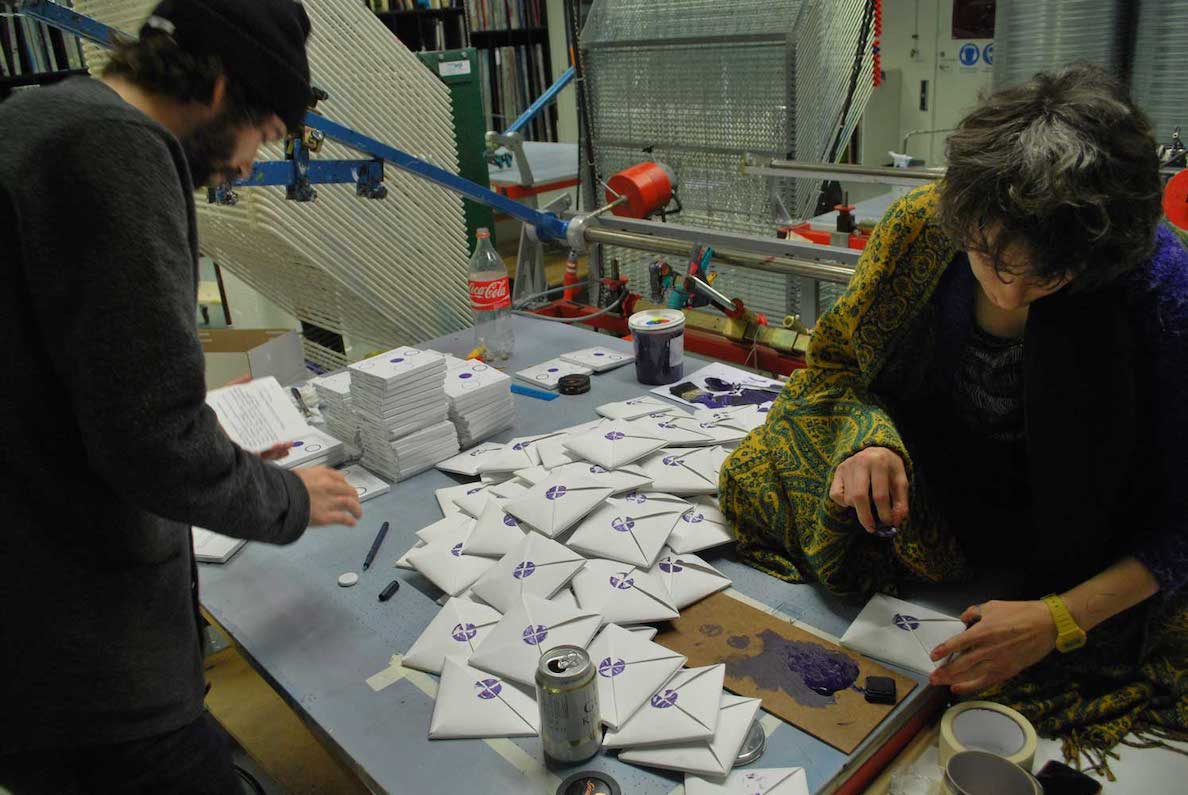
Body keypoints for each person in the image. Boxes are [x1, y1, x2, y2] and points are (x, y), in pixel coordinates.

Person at [720, 64, 1188, 773]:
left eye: (1050, 278)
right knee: (770, 460)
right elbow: (835, 366)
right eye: (991, 259)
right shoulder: (925, 226)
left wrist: (1059, 618)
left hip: (1087, 521)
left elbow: (1182, 517)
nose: (1009, 294)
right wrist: (869, 442)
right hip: (937, 486)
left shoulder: (1159, 287)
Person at [0, 1, 363, 792]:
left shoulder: (40, 115)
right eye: (266, 133)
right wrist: (288, 498)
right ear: (224, 87)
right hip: (89, 670)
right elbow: (153, 440)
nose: (252, 164)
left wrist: (215, 455)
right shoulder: (115, 149)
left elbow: (87, 393)